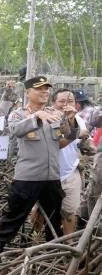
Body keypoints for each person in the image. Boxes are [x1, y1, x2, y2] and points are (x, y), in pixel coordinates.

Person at [0, 76, 77, 259]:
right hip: (28, 177)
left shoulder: (55, 113)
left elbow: (64, 137)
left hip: (52, 176)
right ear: (28, 92)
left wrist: (70, 120)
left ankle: (52, 251)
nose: (45, 92)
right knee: (15, 215)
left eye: (47, 89)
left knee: (53, 217)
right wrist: (36, 116)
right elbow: (15, 131)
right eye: (40, 89)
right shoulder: (18, 114)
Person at [51, 89, 93, 234]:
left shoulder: (79, 120)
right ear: (53, 103)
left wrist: (88, 145)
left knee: (70, 212)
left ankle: (67, 246)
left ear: (76, 104)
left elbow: (86, 143)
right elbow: (56, 143)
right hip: (48, 173)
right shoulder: (49, 118)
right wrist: (75, 134)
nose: (66, 105)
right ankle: (35, 240)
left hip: (70, 171)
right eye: (62, 101)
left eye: (70, 101)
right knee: (42, 212)